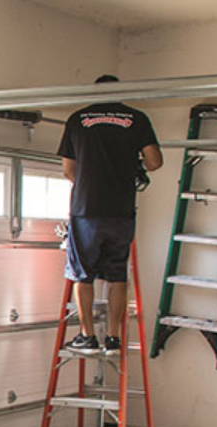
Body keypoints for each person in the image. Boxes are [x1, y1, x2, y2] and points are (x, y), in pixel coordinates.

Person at [56, 75, 163, 355]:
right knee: (117, 275)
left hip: (86, 209)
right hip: (121, 209)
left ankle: (88, 336)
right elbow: (154, 162)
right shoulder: (137, 118)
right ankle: (113, 338)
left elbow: (69, 170)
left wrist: (92, 182)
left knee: (83, 275)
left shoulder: (77, 119)